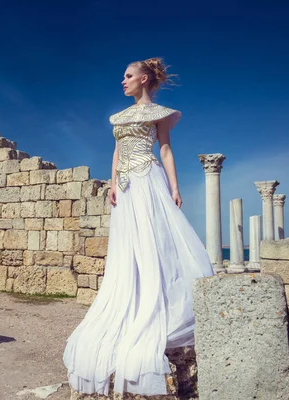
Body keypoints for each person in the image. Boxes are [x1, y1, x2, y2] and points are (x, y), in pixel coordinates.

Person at [62, 58, 215, 397]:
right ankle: (131, 299)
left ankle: (158, 301)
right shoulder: (118, 117)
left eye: (128, 76)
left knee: (154, 239)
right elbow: (116, 151)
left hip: (149, 179)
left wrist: (175, 188)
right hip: (127, 187)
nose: (123, 81)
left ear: (144, 79)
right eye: (123, 76)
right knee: (128, 245)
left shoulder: (158, 114)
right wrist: (113, 183)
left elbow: (165, 150)